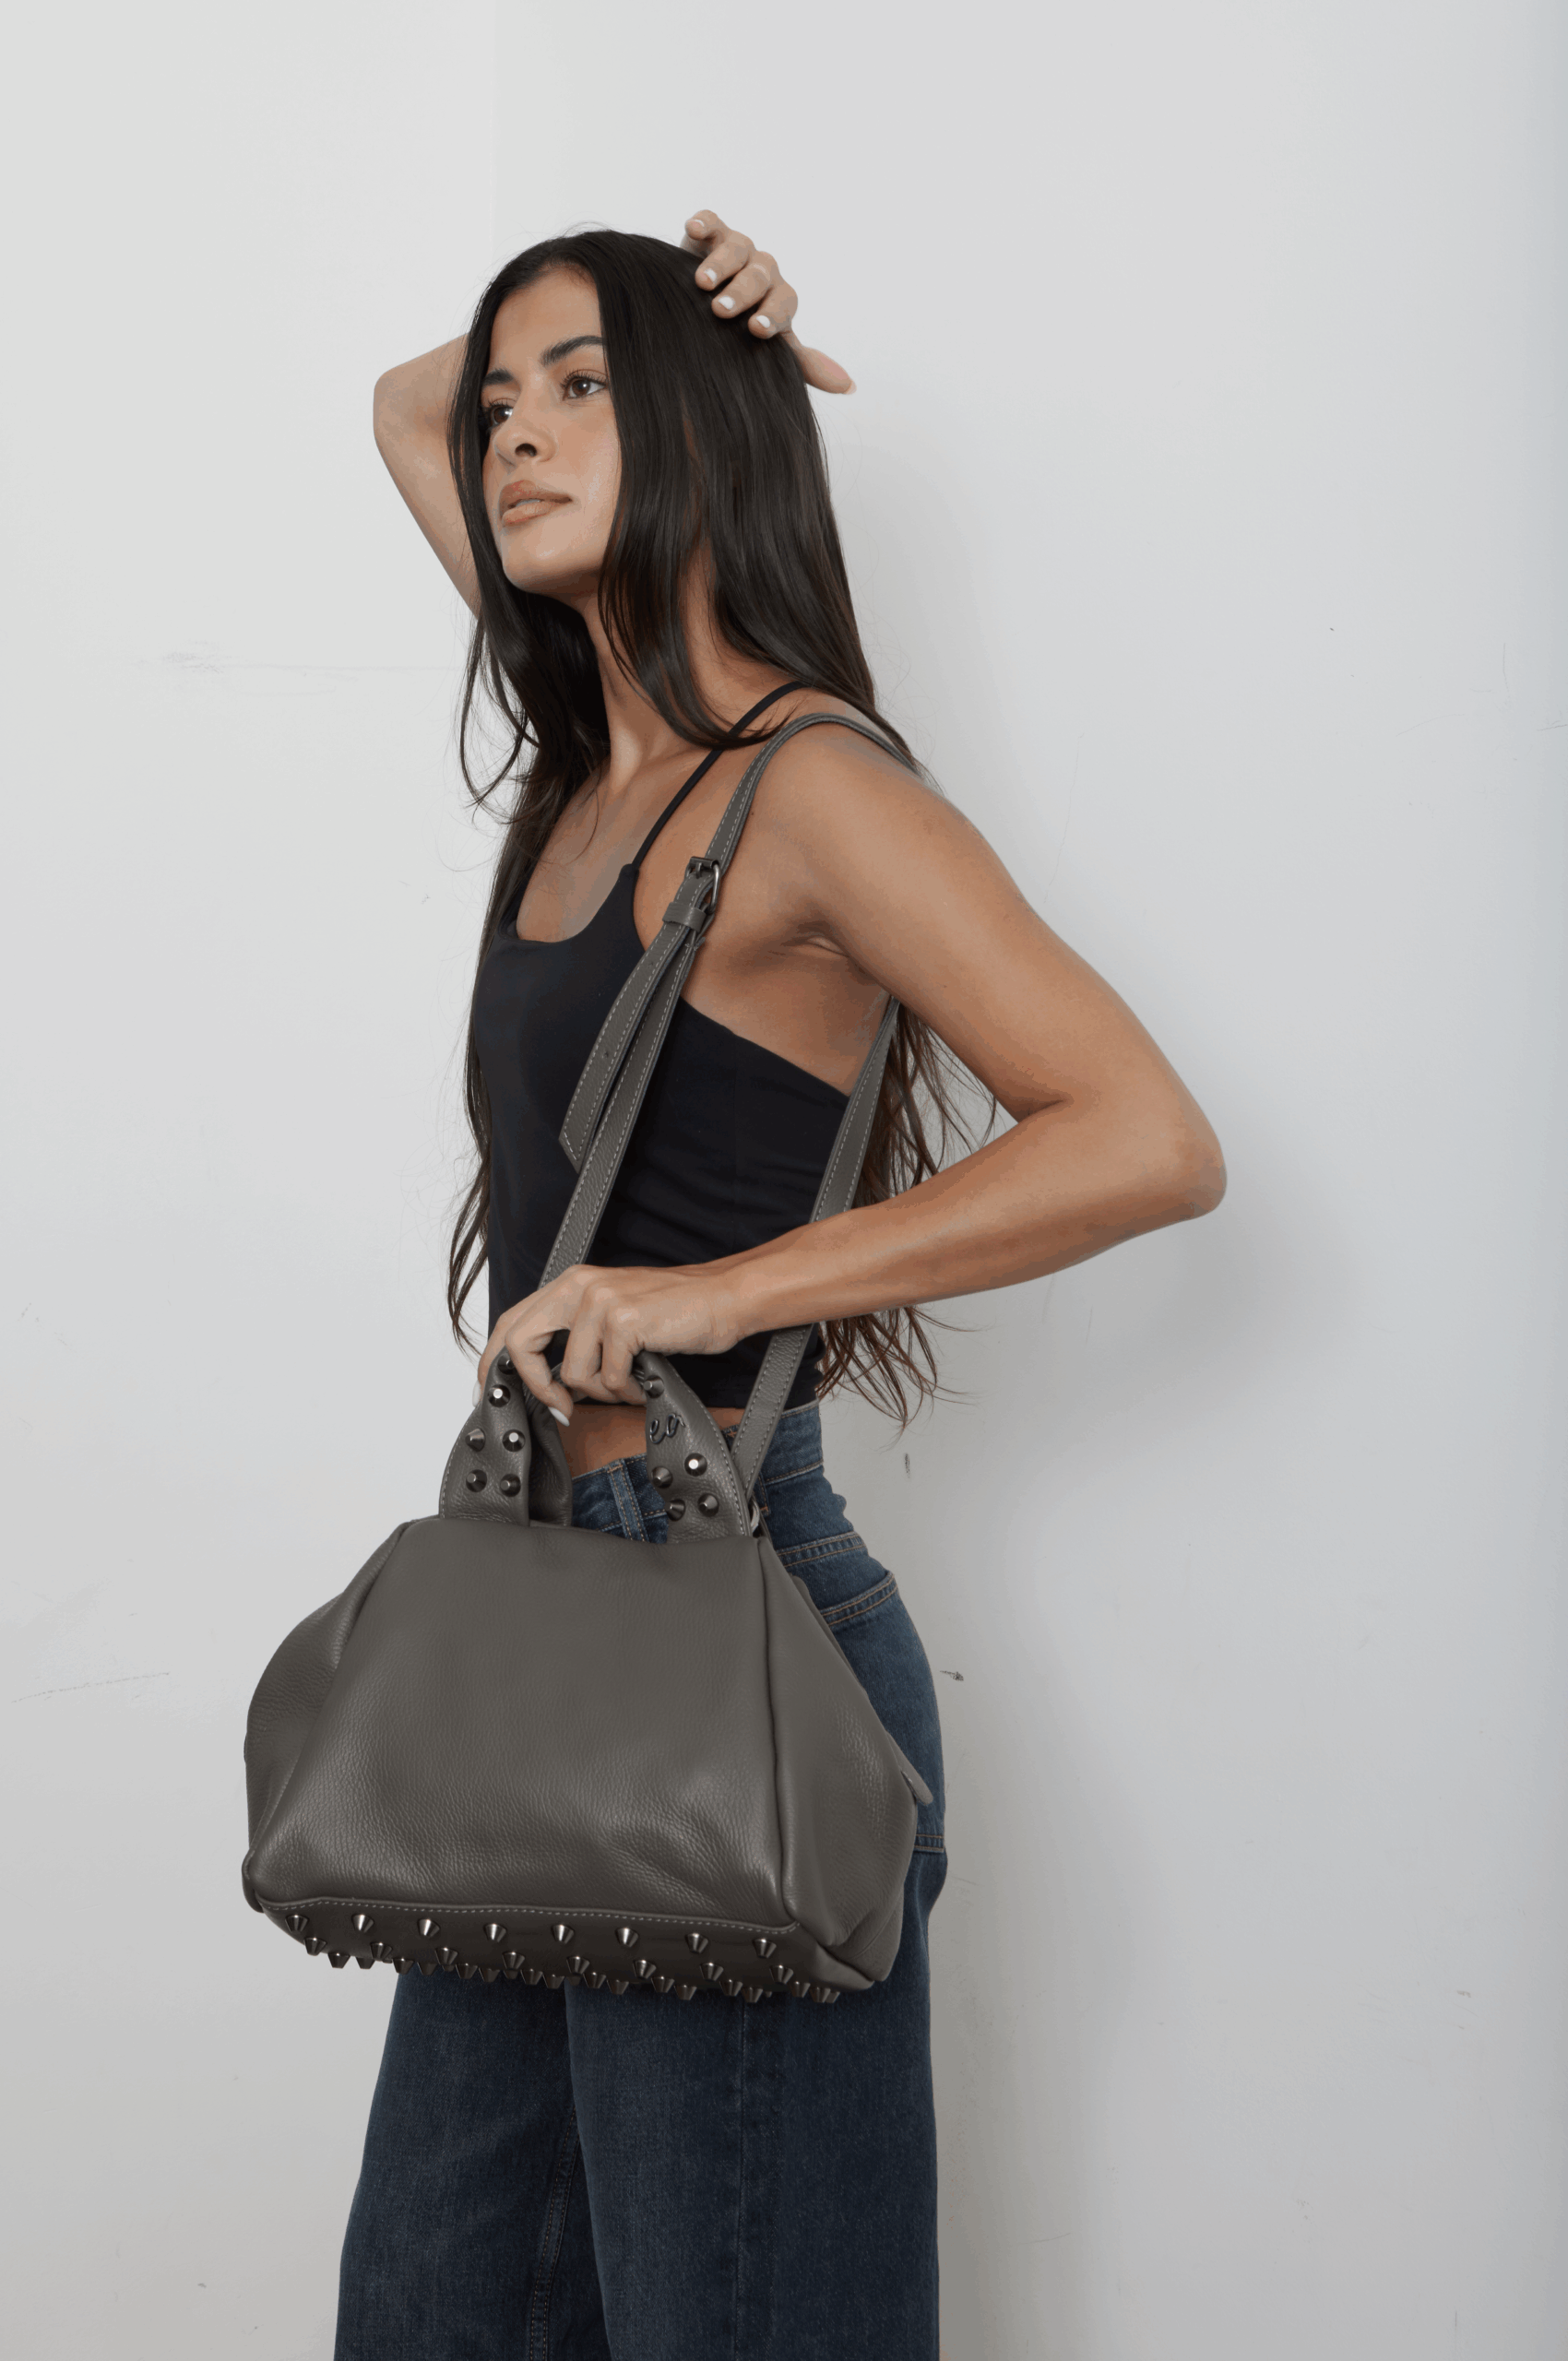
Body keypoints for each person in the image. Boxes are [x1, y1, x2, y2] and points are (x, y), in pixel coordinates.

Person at [339, 209, 1225, 2361]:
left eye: (584, 391)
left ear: (700, 429)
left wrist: (714, 1287)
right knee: (438, 2310)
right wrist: (651, 285)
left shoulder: (808, 788)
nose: (512, 434)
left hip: (730, 1620)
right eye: (509, 403)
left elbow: (1140, 1132)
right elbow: (398, 403)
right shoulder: (600, 753)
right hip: (533, 1623)